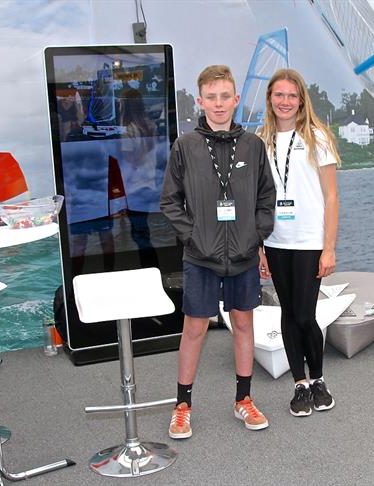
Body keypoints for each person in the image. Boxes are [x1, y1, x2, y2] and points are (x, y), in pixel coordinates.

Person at [160, 65, 276, 439]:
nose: (219, 104)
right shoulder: (186, 146)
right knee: (193, 329)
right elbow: (170, 201)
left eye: (225, 96)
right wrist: (192, 237)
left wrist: (255, 237)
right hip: (200, 256)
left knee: (243, 323)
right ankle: (182, 406)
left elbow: (265, 198)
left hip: (242, 255)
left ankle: (244, 399)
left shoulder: (253, 145)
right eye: (211, 97)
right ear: (200, 100)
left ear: (236, 99)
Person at [256, 68, 341, 417]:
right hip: (276, 241)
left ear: (301, 99)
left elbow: (332, 197)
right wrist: (260, 247)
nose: (285, 101)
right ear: (270, 100)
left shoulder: (318, 138)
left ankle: (319, 379)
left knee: (306, 314)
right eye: (279, 95)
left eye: (292, 95)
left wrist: (329, 246)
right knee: (288, 313)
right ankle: (300, 384)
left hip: (309, 240)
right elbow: (258, 199)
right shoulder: (261, 141)